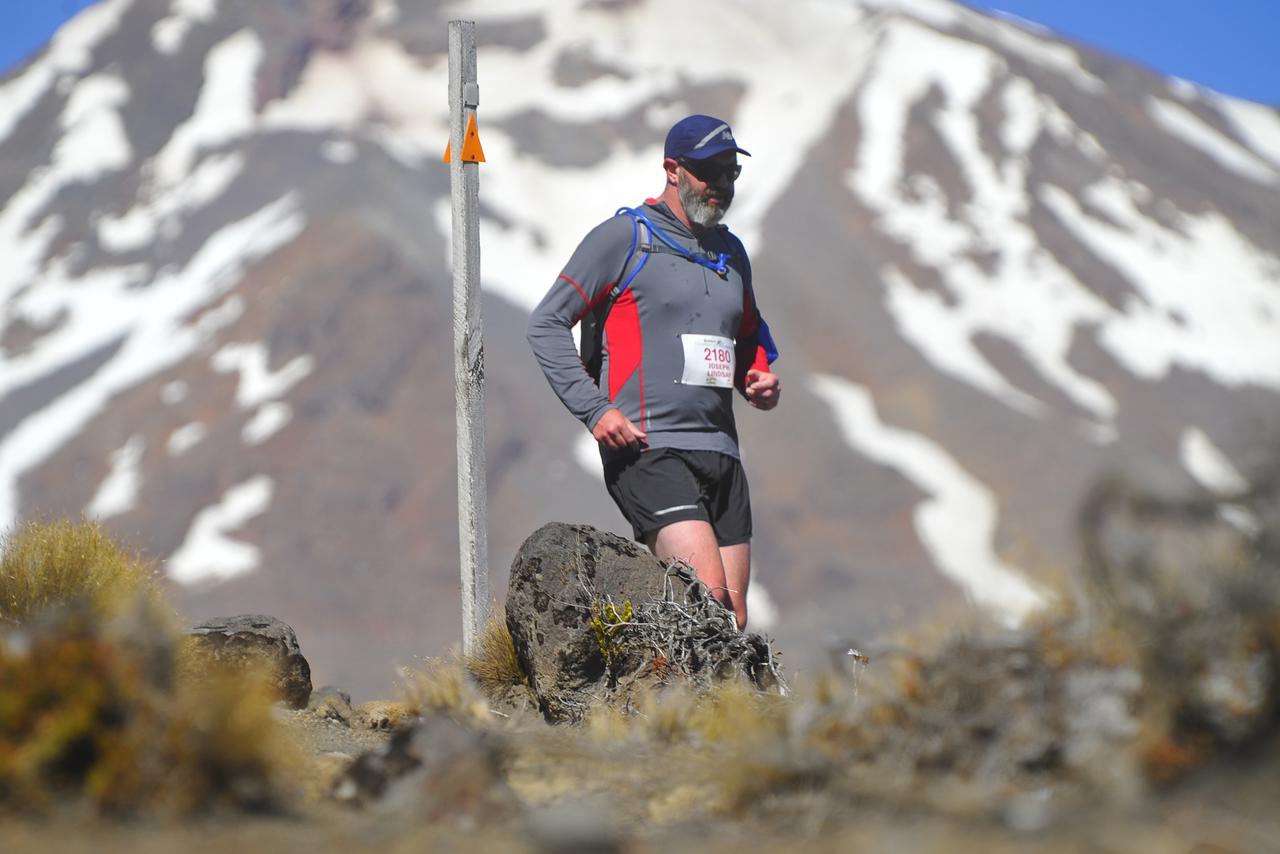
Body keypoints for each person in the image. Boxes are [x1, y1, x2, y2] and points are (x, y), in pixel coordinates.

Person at [526, 114, 781, 630]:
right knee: (706, 602)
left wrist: (757, 376)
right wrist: (595, 410)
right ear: (672, 169)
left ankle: (675, 684)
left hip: (722, 452)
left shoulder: (732, 253)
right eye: (709, 172)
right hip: (650, 448)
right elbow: (546, 324)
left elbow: (748, 334)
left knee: (733, 622)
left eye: (731, 173)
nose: (721, 185)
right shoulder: (625, 238)